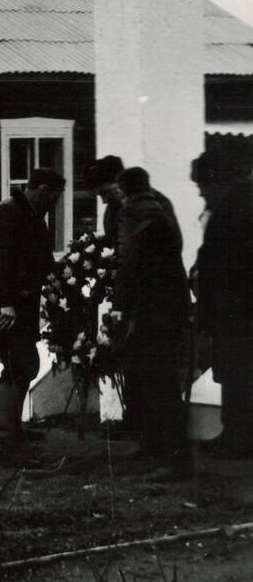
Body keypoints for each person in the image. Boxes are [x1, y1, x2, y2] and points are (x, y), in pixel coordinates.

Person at [0, 168, 65, 464]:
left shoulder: (29, 215)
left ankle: (11, 432)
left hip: (20, 303)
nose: (53, 205)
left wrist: (61, 276)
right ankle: (4, 441)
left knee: (22, 364)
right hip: (6, 303)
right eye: (53, 198)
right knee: (20, 364)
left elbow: (40, 260)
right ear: (42, 189)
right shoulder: (8, 214)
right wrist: (4, 304)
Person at [111, 166, 191, 479]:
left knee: (157, 383)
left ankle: (171, 458)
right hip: (169, 306)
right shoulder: (160, 206)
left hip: (150, 310)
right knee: (160, 380)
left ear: (122, 189)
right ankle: (157, 447)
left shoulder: (133, 212)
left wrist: (119, 307)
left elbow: (129, 262)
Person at [190, 146, 253, 459]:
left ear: (218, 182)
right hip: (236, 310)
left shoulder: (233, 211)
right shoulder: (237, 206)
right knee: (235, 372)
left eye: (203, 187)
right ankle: (236, 435)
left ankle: (238, 439)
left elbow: (226, 264)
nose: (202, 194)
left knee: (237, 372)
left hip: (236, 311)